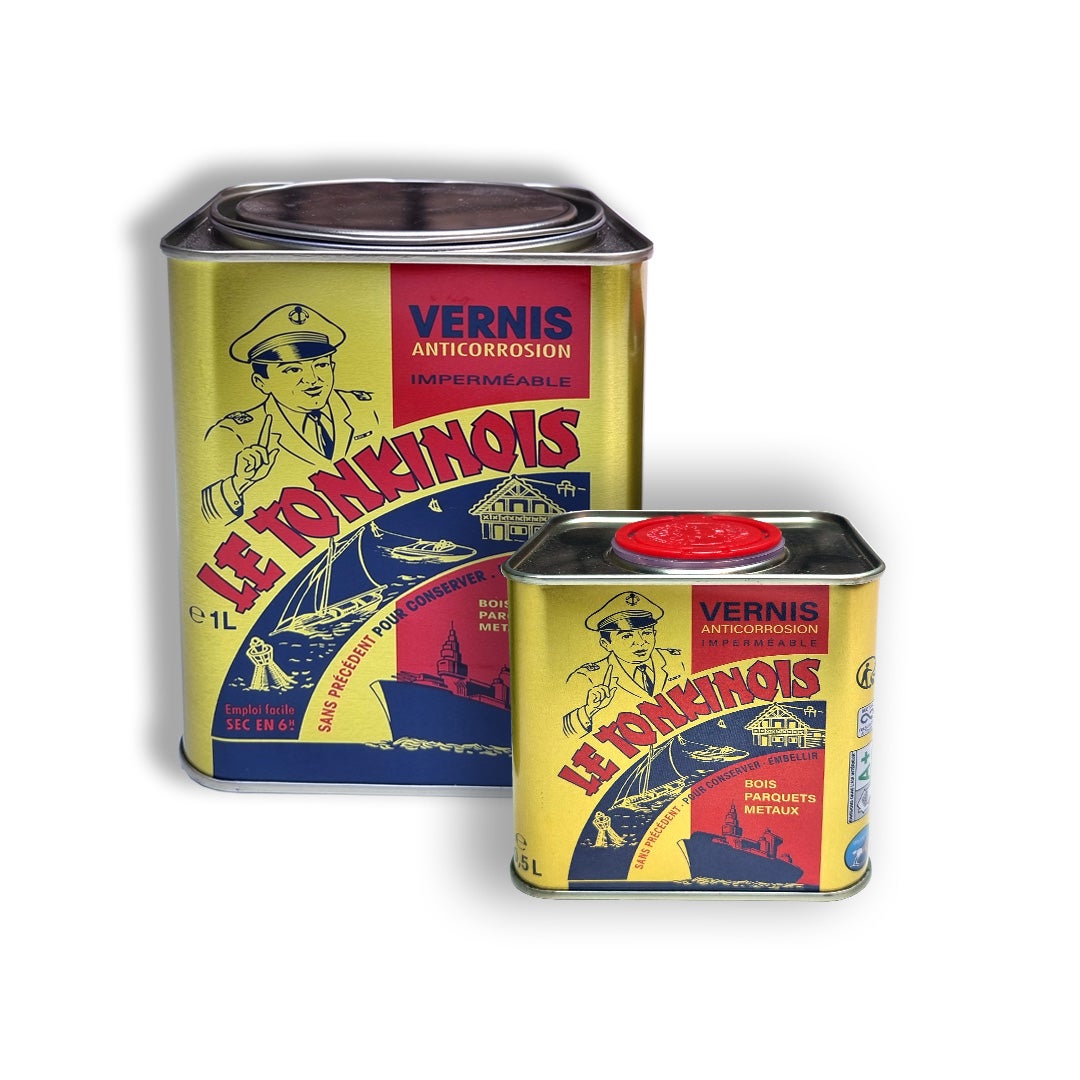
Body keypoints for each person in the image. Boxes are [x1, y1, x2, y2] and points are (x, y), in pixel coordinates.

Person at [200, 303, 379, 523]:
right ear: (261, 382)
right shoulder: (234, 433)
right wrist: (239, 482)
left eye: (321, 365)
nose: (313, 379)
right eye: (293, 369)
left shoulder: (367, 408)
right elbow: (206, 520)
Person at [562, 591, 685, 737]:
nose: (640, 642)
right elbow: (562, 736)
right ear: (606, 644)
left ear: (654, 634)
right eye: (627, 636)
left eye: (646, 633)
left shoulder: (677, 660)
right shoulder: (587, 677)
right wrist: (589, 710)